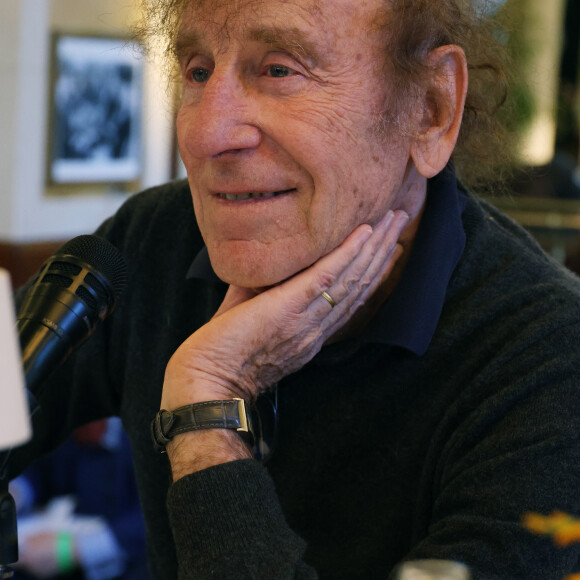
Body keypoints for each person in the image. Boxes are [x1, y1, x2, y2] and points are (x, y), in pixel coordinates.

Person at [4, 0, 580, 578]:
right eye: (198, 71)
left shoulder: (552, 361)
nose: (207, 133)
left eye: (280, 70)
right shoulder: (154, 238)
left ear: (430, 110)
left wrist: (207, 411)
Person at [9, 418, 149, 580]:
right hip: (73, 538)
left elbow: (157, 515)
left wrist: (76, 549)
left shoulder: (146, 424)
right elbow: (43, 471)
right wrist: (14, 493)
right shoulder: (74, 426)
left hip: (137, 558)